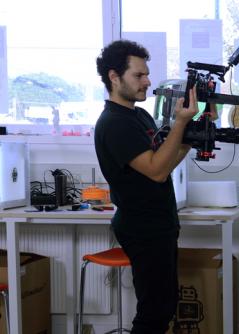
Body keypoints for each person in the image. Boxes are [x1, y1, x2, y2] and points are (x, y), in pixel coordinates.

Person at [94, 39, 198, 333]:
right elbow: (154, 171)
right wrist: (179, 124)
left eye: (146, 74)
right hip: (142, 227)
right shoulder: (115, 123)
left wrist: (190, 134)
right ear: (114, 77)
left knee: (163, 306)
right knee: (153, 313)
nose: (147, 81)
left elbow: (164, 165)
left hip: (159, 223)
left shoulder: (138, 115)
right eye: (138, 75)